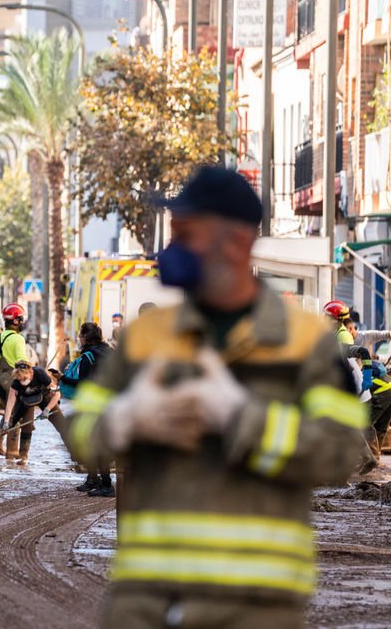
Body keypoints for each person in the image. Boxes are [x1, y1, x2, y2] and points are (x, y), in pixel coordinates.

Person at [67, 166, 368, 627]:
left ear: (237, 242)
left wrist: (243, 419)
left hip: (254, 608)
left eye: (187, 235)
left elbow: (343, 454)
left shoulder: (307, 344)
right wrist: (125, 419)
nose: (171, 251)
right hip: (143, 605)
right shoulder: (146, 339)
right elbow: (82, 436)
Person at [60, 322, 114, 495]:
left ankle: (106, 485)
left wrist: (62, 378)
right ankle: (94, 479)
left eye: (80, 336)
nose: (79, 339)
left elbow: (84, 384)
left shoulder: (88, 356)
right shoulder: (108, 352)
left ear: (85, 338)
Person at [2, 361, 64, 468]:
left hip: (45, 396)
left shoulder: (40, 373)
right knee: (27, 426)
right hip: (27, 401)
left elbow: (57, 393)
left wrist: (47, 409)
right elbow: (10, 403)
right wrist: (6, 422)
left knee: (61, 424)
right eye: (19, 379)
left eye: (24, 378)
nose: (22, 382)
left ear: (30, 372)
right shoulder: (16, 383)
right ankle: (23, 456)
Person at [0, 303, 29, 452]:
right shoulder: (18, 339)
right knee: (17, 413)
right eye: (21, 319)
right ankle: (12, 452)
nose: (22, 322)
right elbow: (21, 362)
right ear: (16, 321)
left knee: (9, 411)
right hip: (12, 379)